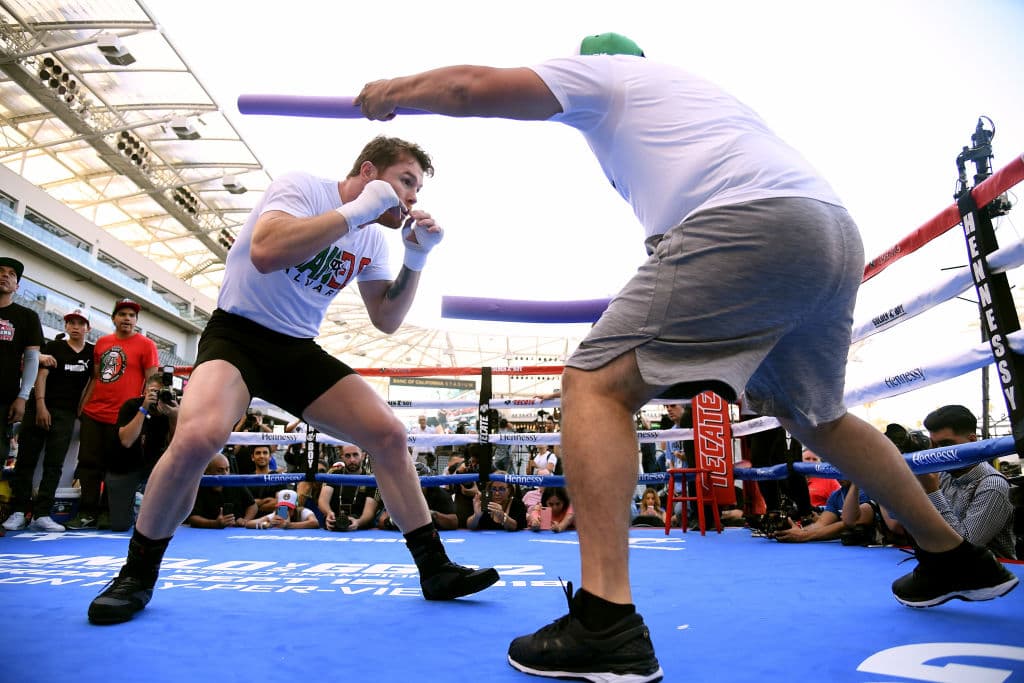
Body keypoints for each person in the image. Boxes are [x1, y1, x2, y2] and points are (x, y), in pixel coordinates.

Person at [356, 32, 1018, 679]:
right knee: (818, 416)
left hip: (751, 223)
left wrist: (395, 91)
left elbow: (472, 88)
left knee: (595, 383)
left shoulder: (608, 75)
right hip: (827, 230)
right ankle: (952, 554)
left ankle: (605, 620)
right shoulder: (693, 101)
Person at [87, 136, 499, 625]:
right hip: (238, 335)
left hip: (296, 348)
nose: (412, 197)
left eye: (418, 189)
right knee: (198, 437)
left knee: (389, 434)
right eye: (406, 181)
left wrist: (415, 259)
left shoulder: (372, 239)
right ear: (369, 172)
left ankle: (435, 568)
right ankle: (136, 574)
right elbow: (265, 252)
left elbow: (386, 319)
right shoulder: (303, 188)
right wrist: (357, 211)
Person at [67, 298, 158, 530]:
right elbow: (96, 377)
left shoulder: (147, 345)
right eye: (122, 314)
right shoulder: (102, 342)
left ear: (136, 320)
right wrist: (83, 405)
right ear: (114, 318)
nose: (127, 318)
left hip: (123, 417)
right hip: (94, 412)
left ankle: (109, 511)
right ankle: (87, 511)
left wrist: (145, 412)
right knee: (88, 464)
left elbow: (152, 381)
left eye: (131, 315)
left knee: (115, 466)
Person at [3, 308, 91, 533]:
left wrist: (82, 406)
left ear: (88, 328)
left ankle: (42, 513)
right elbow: (41, 376)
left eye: (80, 323)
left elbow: (94, 379)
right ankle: (18, 511)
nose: (75, 327)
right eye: (71, 322)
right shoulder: (53, 347)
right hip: (39, 407)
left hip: (66, 413)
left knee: (54, 464)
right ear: (66, 326)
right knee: (26, 460)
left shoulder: (91, 352)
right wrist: (41, 405)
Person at [919, 405, 1016, 559]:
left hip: (990, 570)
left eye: (945, 445)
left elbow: (966, 548)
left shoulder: (992, 485)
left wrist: (932, 491)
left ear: (972, 441)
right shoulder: (944, 475)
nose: (937, 453)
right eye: (934, 445)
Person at [107, 372, 178, 532]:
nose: (159, 397)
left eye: (163, 392)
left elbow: (176, 447)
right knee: (120, 525)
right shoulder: (132, 406)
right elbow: (127, 441)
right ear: (146, 391)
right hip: (124, 468)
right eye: (155, 392)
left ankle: (147, 506)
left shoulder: (172, 409)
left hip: (154, 470)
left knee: (159, 525)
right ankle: (135, 505)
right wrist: (144, 409)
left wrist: (174, 417)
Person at [0, 257, 42, 482]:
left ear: (17, 286)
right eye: (1, 271)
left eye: (11, 274)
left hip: (4, 398)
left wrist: (23, 396)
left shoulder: (27, 317)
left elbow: (32, 359)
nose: (5, 275)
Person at [317, 444, 379, 531]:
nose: (352, 460)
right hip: (333, 526)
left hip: (360, 530)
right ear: (342, 457)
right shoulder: (333, 473)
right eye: (347, 456)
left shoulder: (370, 479)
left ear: (363, 456)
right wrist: (328, 513)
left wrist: (359, 522)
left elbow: (369, 511)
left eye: (355, 455)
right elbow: (323, 500)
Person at [186, 453, 257, 528]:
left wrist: (245, 520)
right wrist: (214, 524)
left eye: (227, 469)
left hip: (236, 530)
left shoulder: (234, 481)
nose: (225, 474)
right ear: (207, 472)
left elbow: (252, 505)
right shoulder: (199, 486)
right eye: (220, 470)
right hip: (206, 532)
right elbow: (192, 518)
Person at [245, 489, 319, 530]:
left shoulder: (303, 511)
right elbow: (249, 524)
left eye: (289, 508)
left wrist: (289, 525)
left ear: (295, 507)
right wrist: (267, 524)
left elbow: (315, 522)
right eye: (283, 507)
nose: (285, 510)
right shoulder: (276, 515)